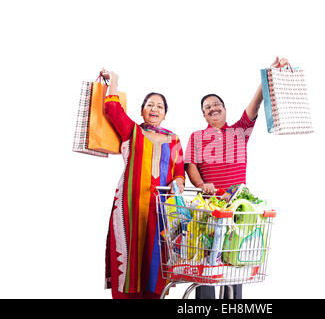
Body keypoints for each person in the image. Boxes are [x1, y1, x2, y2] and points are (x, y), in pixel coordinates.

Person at [185, 57, 289, 299]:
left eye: (216, 104)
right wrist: (202, 185)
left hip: (237, 208)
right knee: (208, 264)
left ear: (224, 108)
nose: (213, 108)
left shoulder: (239, 131)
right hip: (210, 208)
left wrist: (268, 75)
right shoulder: (197, 136)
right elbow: (190, 166)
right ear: (204, 115)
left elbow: (255, 104)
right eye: (207, 107)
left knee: (235, 262)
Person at [101, 70, 185, 299]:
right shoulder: (133, 131)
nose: (154, 109)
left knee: (155, 263)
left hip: (161, 210)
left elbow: (179, 173)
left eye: (159, 106)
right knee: (129, 260)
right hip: (130, 208)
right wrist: (115, 81)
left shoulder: (174, 139)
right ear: (142, 111)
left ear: (165, 114)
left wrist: (178, 184)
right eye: (150, 105)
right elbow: (112, 109)